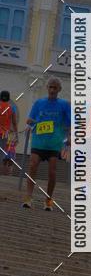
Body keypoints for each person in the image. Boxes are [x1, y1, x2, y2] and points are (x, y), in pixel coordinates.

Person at [23, 78, 71, 210]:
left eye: (55, 88)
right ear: (47, 88)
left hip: (54, 144)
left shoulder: (64, 105)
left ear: (59, 90)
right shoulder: (39, 103)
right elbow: (30, 119)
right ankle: (28, 197)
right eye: (50, 87)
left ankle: (48, 200)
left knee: (52, 172)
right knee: (32, 166)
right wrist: (29, 123)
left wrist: (70, 136)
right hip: (38, 141)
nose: (52, 90)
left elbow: (70, 123)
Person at [0, 90, 18, 175]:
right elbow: (14, 122)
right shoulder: (12, 108)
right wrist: (16, 134)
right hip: (4, 134)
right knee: (1, 153)